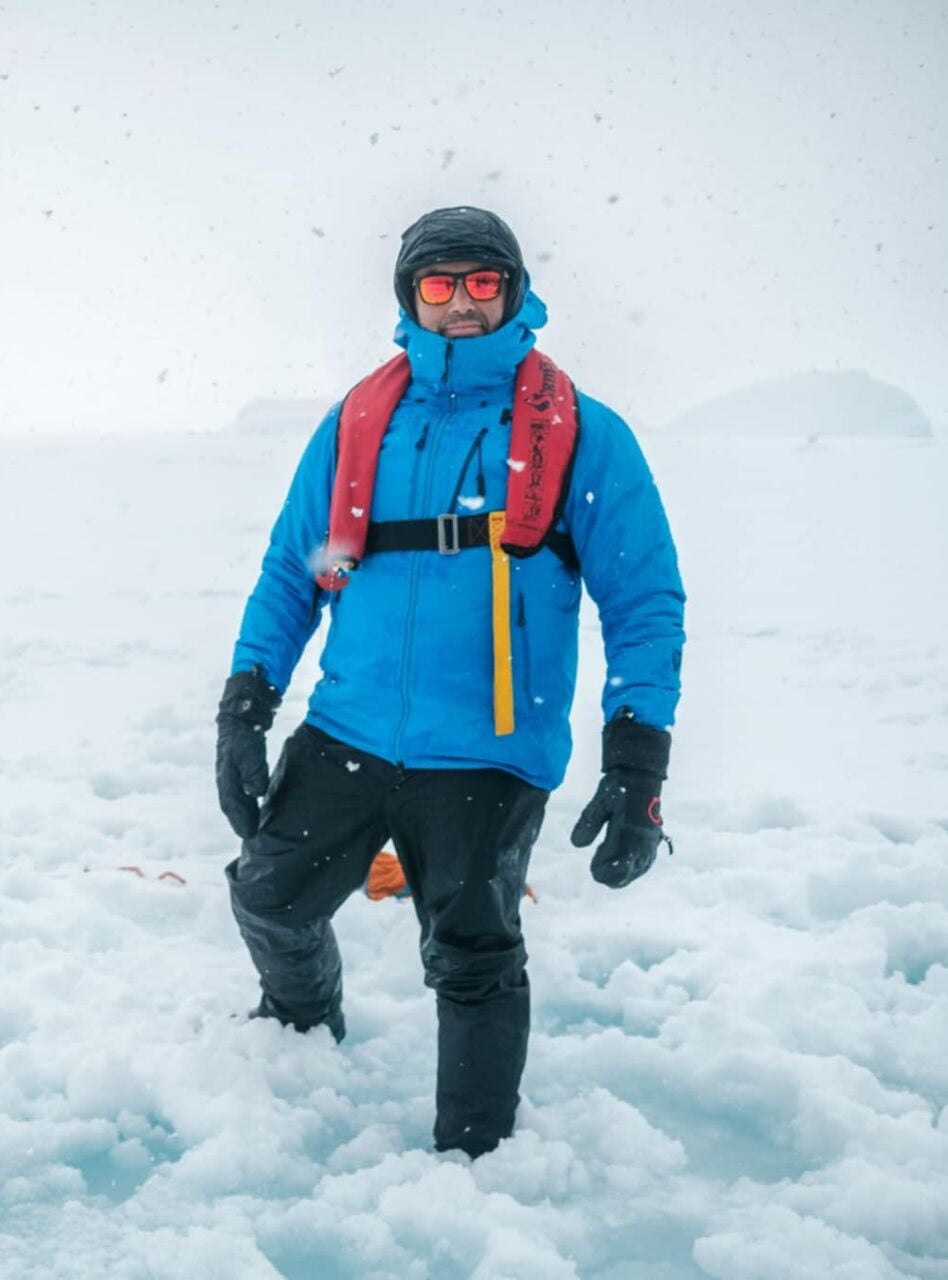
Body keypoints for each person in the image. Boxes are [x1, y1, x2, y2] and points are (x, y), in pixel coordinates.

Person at [214, 206, 685, 1158]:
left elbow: (644, 603)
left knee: (472, 957)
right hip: (348, 728)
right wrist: (247, 699)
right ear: (410, 297)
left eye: (482, 282)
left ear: (512, 292)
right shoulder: (360, 420)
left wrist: (637, 762)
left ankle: (474, 1157)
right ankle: (301, 1036)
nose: (462, 303)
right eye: (440, 284)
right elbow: (292, 569)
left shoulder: (585, 432)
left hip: (489, 749)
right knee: (268, 899)